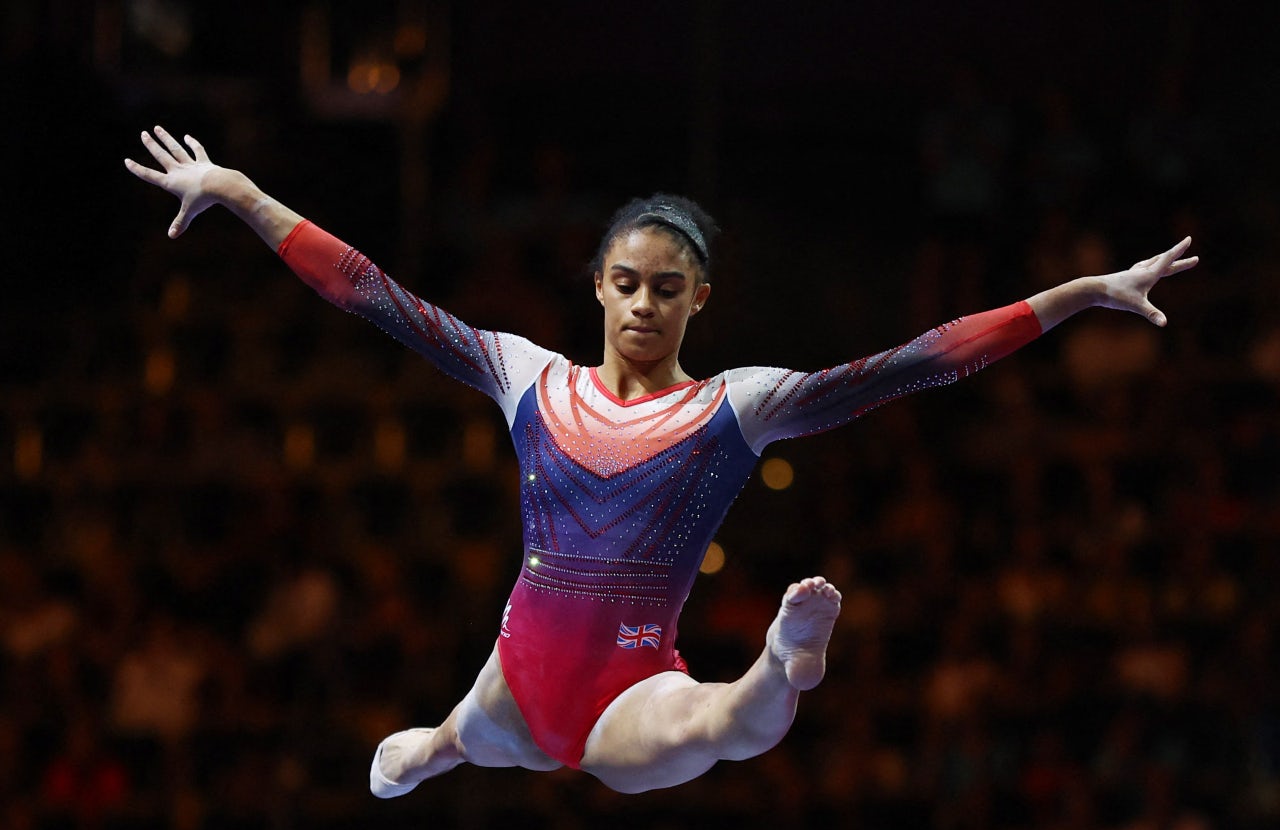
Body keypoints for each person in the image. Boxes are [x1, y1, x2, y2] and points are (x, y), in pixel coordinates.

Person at [124, 126, 1198, 796]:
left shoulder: (740, 405)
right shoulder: (523, 374)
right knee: (442, 748)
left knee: (722, 724)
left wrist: (1073, 296)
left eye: (667, 288)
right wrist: (236, 190)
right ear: (598, 284)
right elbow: (370, 292)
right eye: (626, 283)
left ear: (699, 301)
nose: (644, 304)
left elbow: (913, 365)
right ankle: (448, 740)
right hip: (511, 677)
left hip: (625, 688)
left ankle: (784, 660)